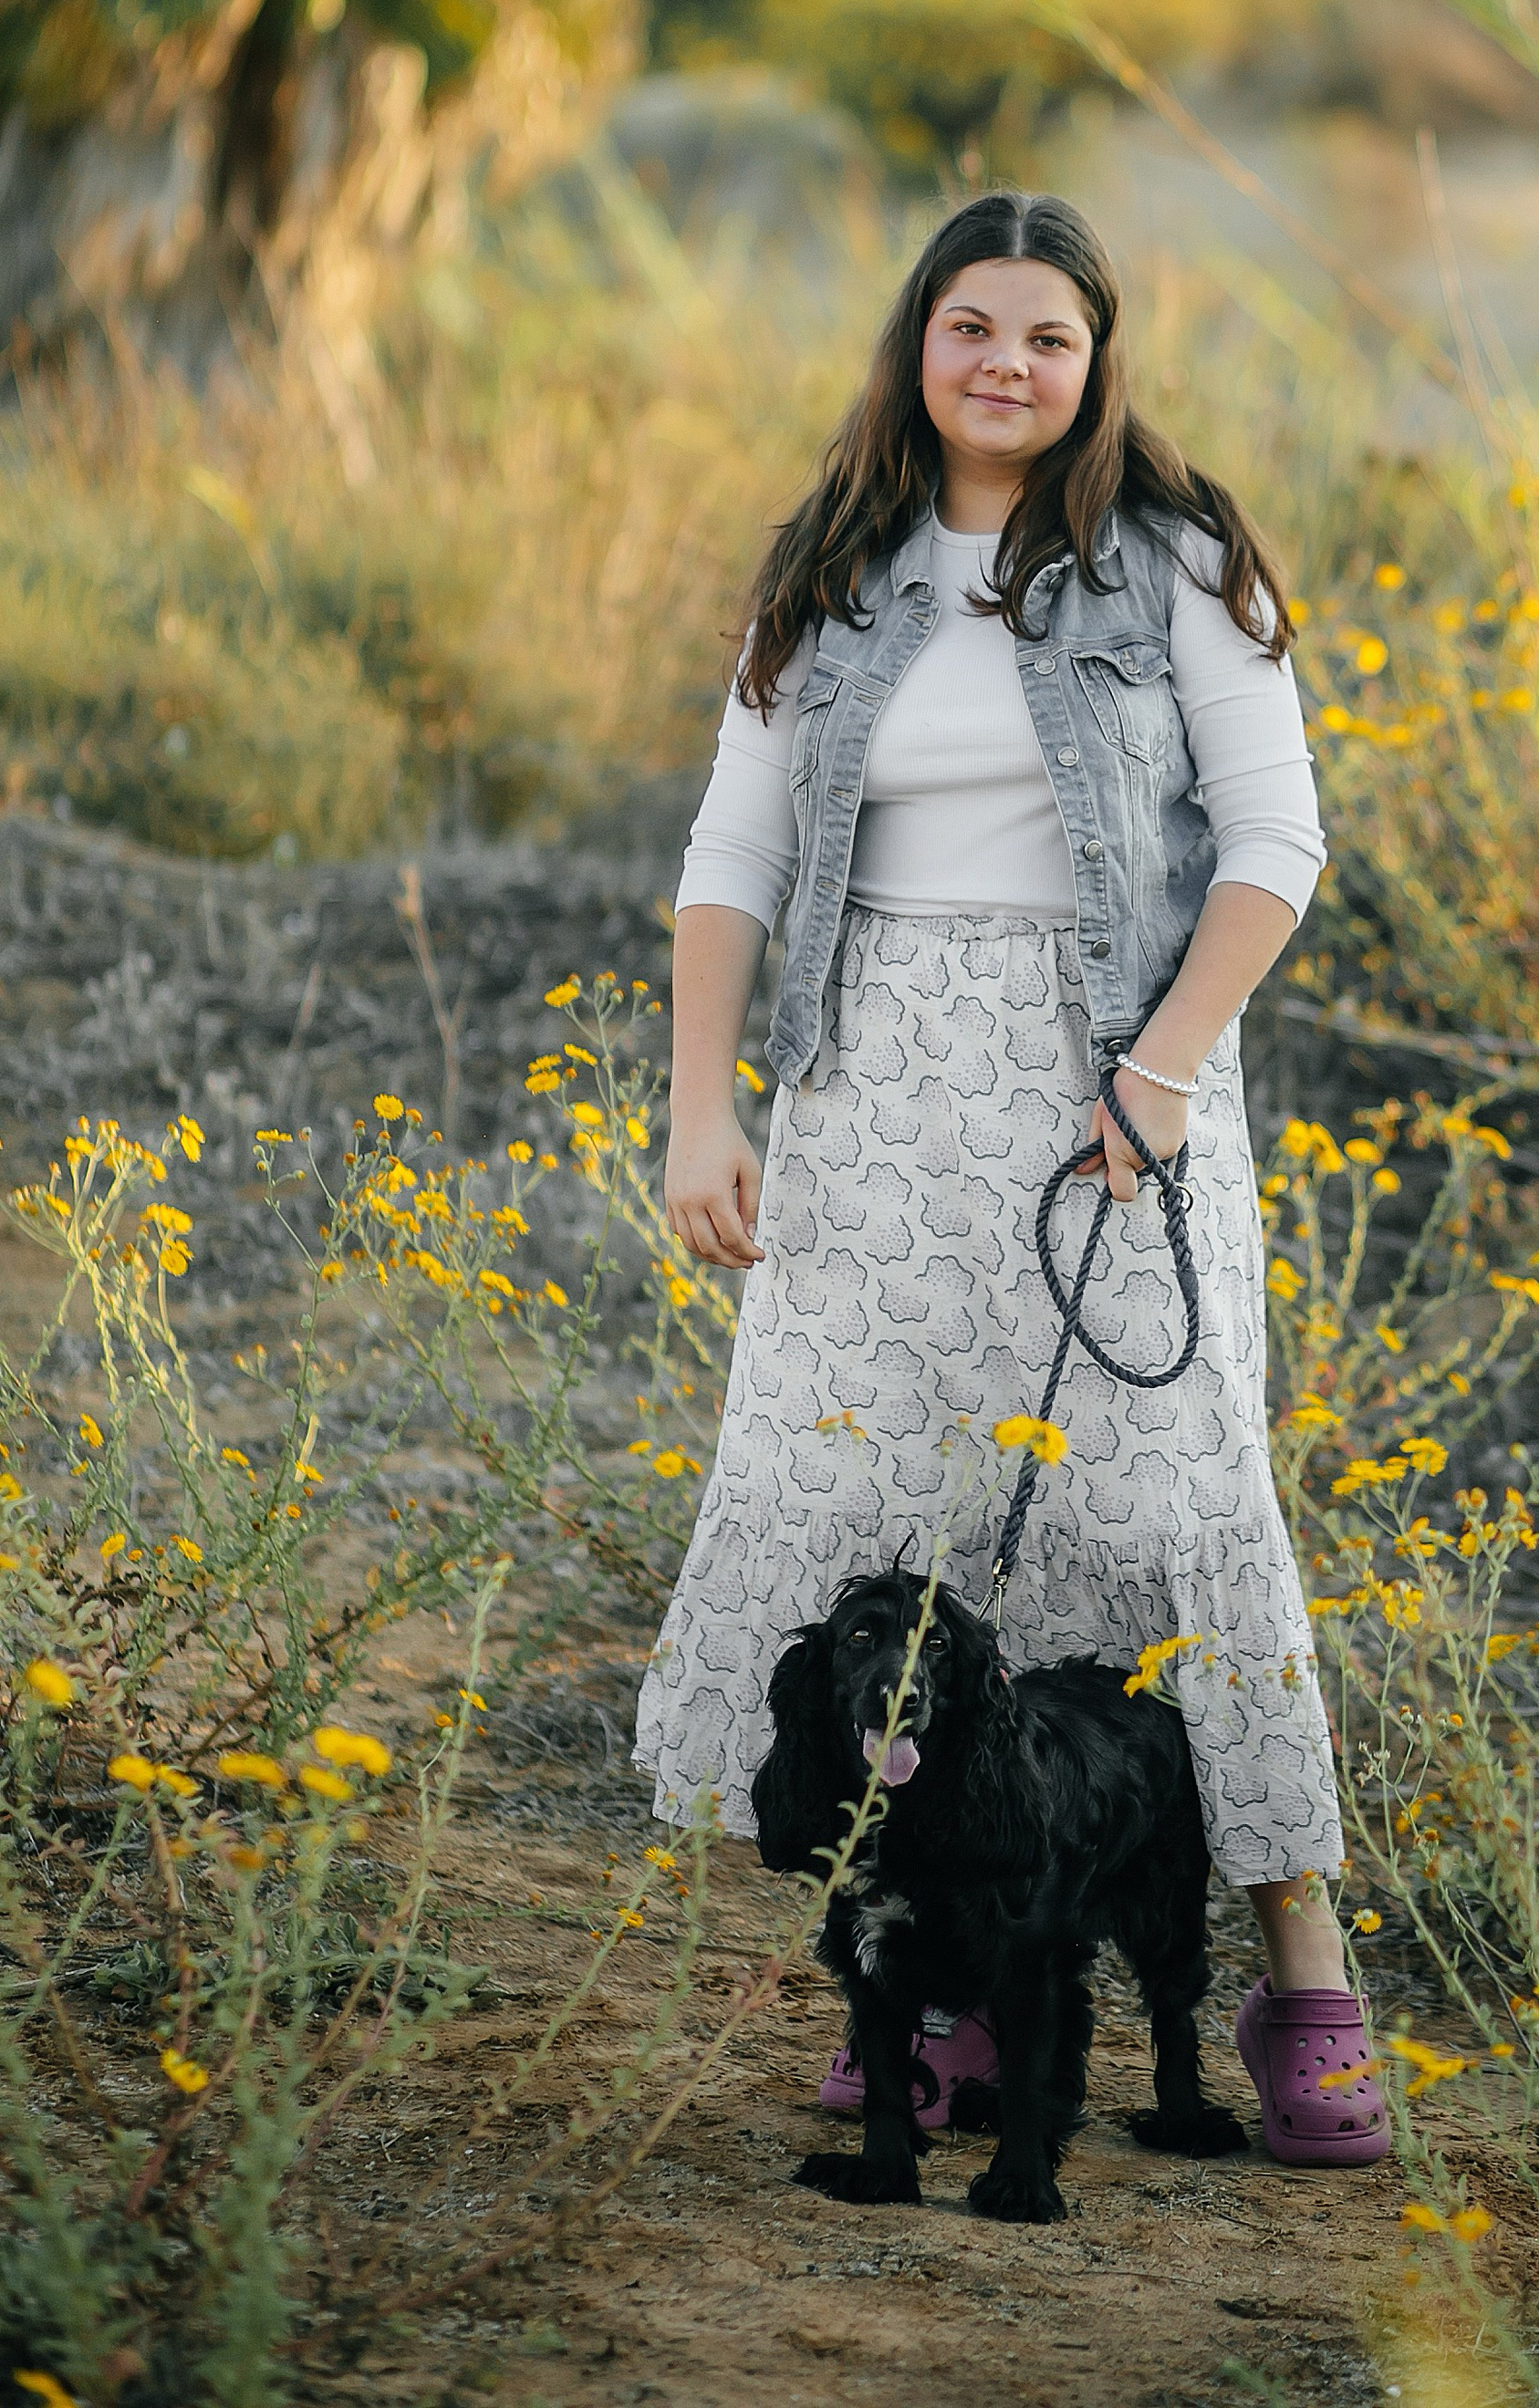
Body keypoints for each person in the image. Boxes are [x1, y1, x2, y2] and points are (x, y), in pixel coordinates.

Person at [634, 190, 1389, 2165]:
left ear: (1092, 362)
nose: (1004, 366)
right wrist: (701, 1106)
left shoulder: (1179, 560)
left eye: (1045, 338)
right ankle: (941, 1986)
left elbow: (1274, 844)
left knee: (1158, 1512)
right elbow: (732, 854)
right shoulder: (829, 565)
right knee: (889, 1510)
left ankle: (1300, 1965)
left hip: (1107, 1091)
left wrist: (1151, 1074)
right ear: (916, 342)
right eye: (969, 327)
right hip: (873, 1088)